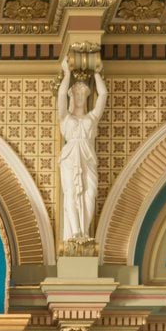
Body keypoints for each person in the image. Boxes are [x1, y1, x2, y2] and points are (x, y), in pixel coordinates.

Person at [56, 54, 107, 247]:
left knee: (89, 193)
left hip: (87, 156)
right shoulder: (65, 118)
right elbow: (61, 97)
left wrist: (97, 73)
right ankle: (75, 231)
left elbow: (103, 96)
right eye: (75, 94)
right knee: (71, 192)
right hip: (70, 157)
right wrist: (67, 73)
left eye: (82, 95)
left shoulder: (91, 118)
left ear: (85, 97)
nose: (78, 97)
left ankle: (84, 230)